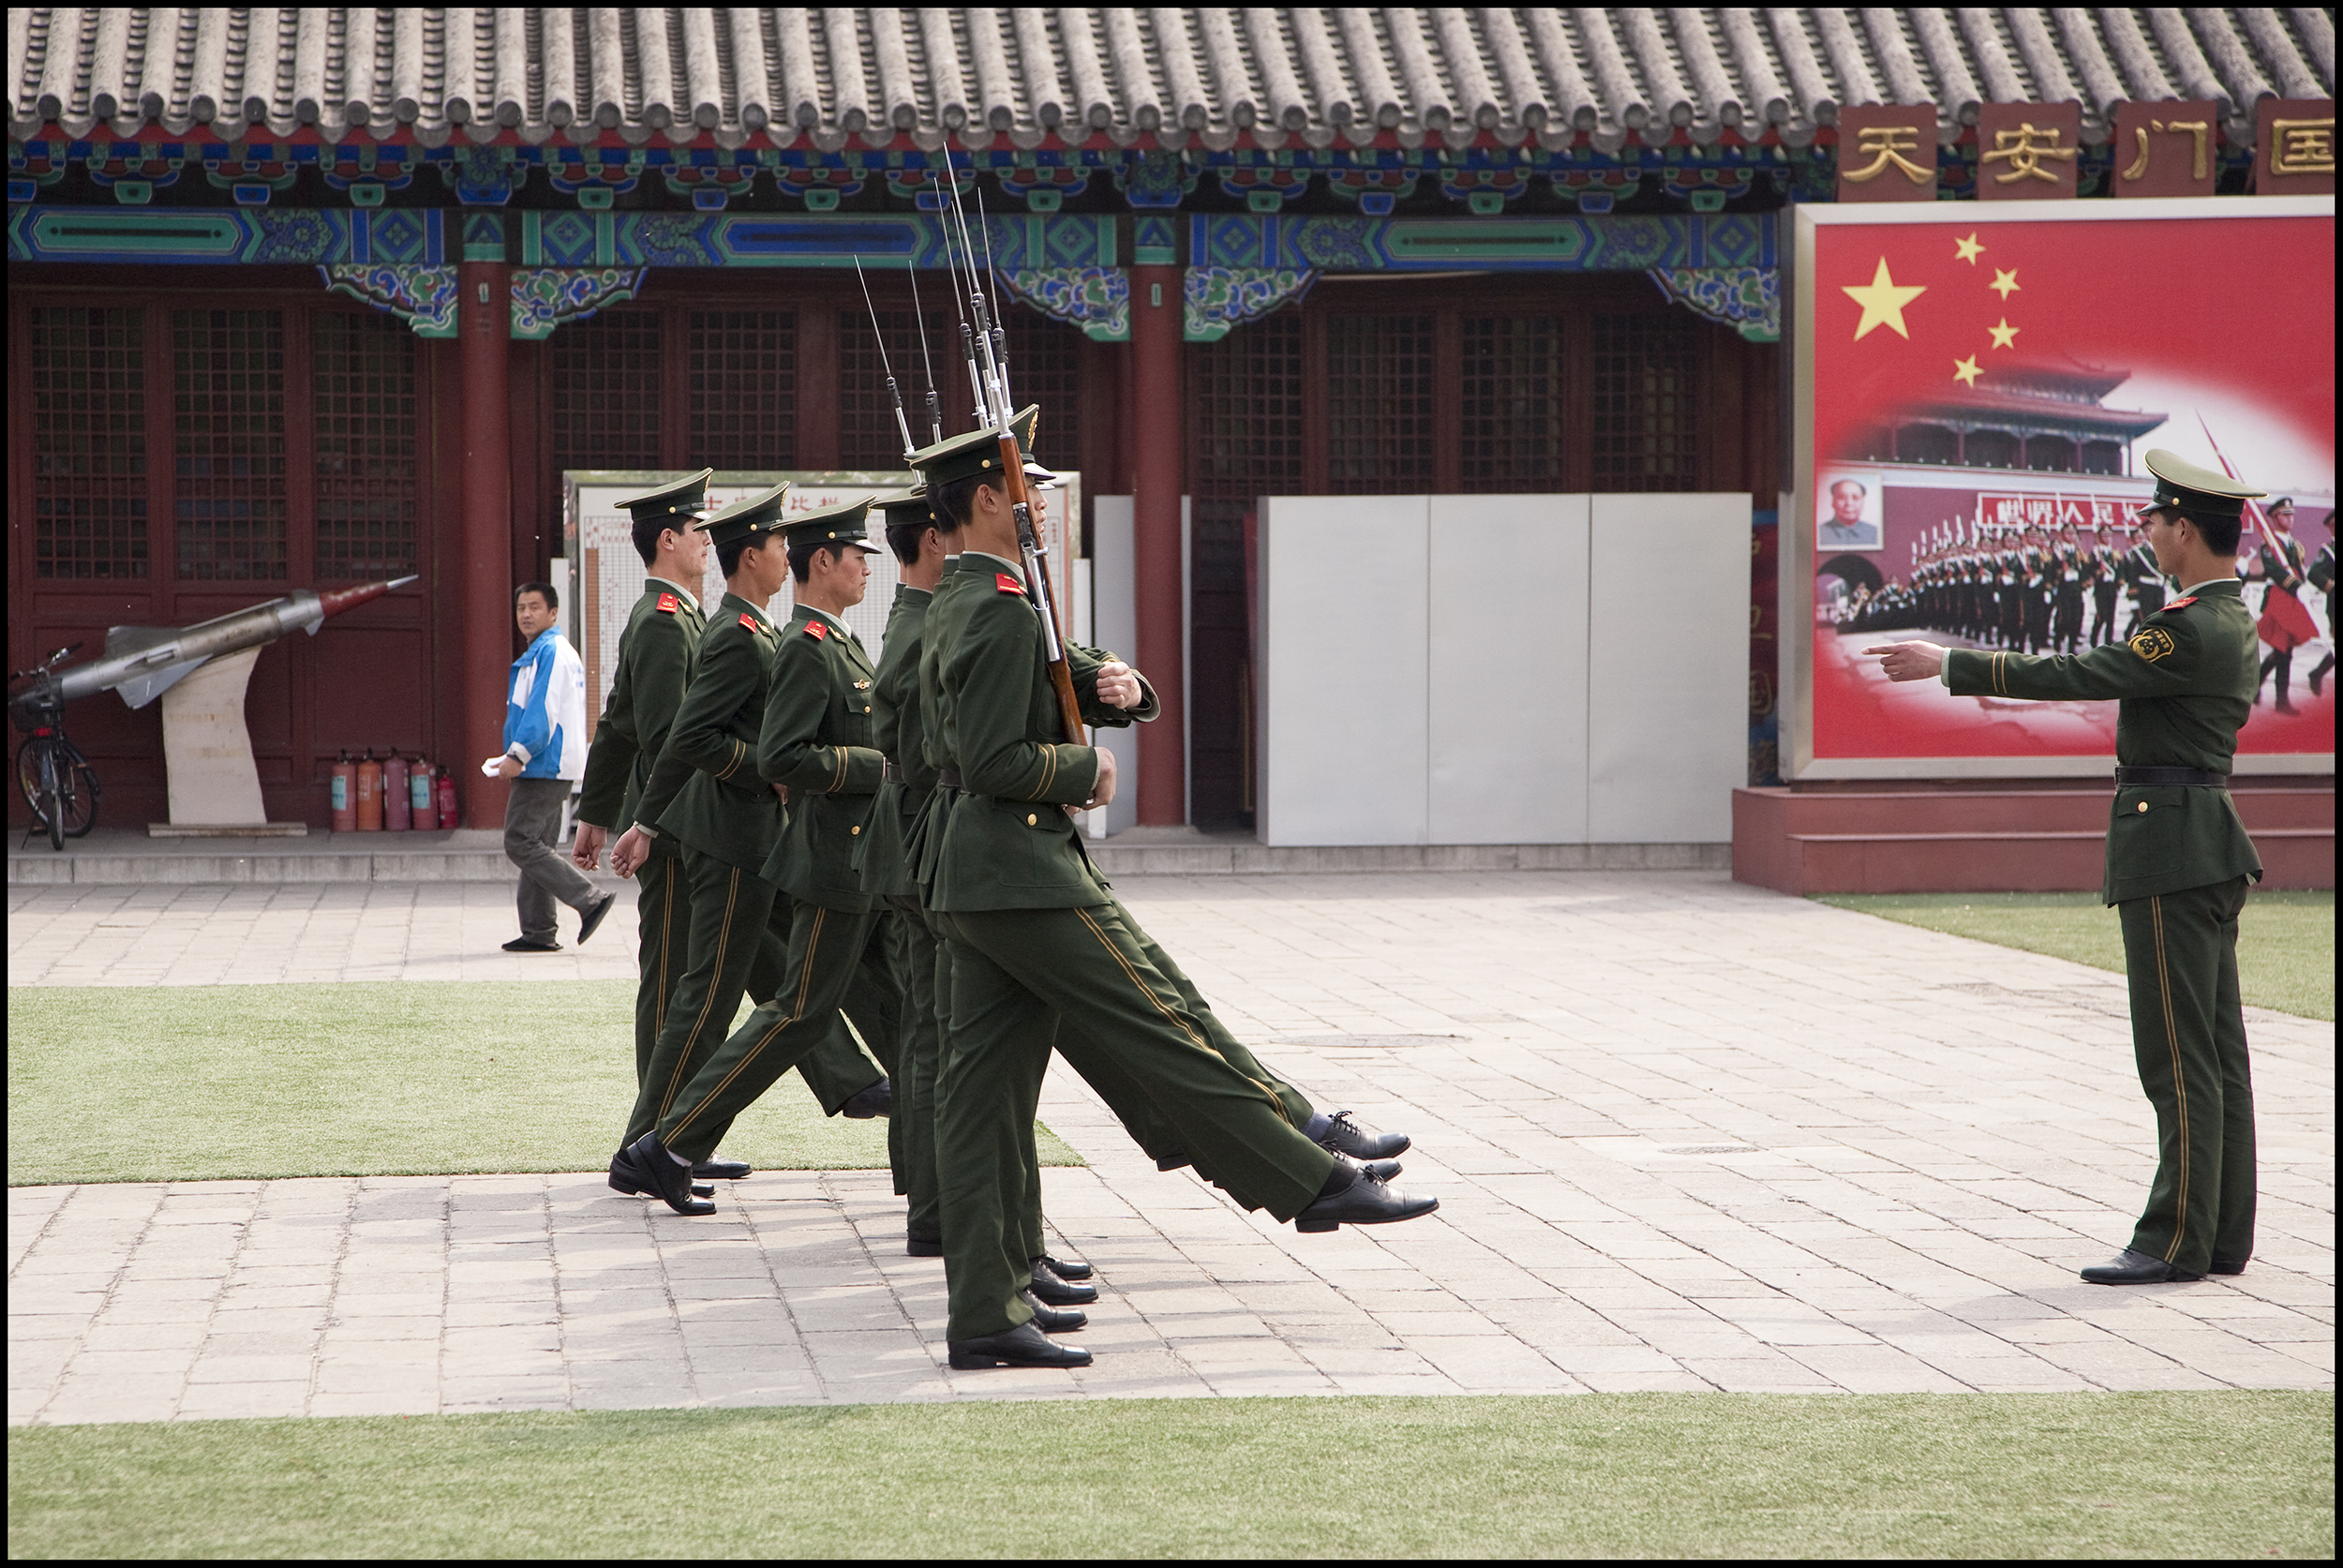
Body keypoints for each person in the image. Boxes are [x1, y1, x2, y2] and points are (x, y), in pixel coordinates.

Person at [911, 420, 1436, 1371]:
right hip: (1021, 868)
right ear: (986, 498)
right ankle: (1310, 1178)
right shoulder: (994, 609)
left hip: (972, 875)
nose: (1036, 493)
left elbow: (1053, 679)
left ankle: (986, 1307)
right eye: (1022, 480)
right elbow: (993, 757)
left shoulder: (968, 598)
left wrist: (1115, 686)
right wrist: (1088, 770)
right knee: (1159, 1021)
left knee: (982, 1097)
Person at [1866, 449, 2264, 1286]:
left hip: (2171, 844)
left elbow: (2079, 672)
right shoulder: (2229, 616)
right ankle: (2220, 1233)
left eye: (2156, 518)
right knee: (2217, 1051)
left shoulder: (2185, 626)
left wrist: (1949, 663)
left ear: (2185, 528)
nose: (2148, 530)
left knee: (2177, 1056)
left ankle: (2172, 1239)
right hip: (2202, 839)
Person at [611, 496, 903, 1215]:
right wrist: (755, 772)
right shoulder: (739, 635)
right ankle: (650, 1144)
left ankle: (685, 1136)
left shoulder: (763, 630)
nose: (785, 555)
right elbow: (686, 737)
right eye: (779, 544)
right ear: (759, 556)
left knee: (774, 984)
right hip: (729, 836)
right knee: (707, 998)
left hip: (757, 837)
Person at [573, 470, 714, 1105]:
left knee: (705, 972)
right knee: (670, 978)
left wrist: (594, 811)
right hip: (676, 826)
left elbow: (616, 723)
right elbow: (659, 738)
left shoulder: (677, 613)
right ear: (667, 541)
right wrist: (647, 824)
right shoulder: (662, 621)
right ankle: (660, 1126)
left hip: (679, 820)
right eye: (698, 530)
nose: (708, 541)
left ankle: (679, 1126)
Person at [495, 580, 613, 953]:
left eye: (534, 607)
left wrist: (518, 755)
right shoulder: (549, 650)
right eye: (520, 608)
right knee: (538, 843)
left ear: (553, 612)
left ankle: (589, 899)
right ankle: (539, 930)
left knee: (520, 840)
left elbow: (542, 712)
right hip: (552, 763)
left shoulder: (550, 651)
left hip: (543, 763)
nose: (526, 614)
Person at [2246, 498, 2308, 715]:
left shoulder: (2294, 544)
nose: (2290, 519)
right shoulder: (2269, 545)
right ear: (2274, 518)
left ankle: (2255, 687)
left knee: (2283, 650)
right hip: (2278, 598)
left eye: (2291, 514)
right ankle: (2281, 701)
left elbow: (2298, 568)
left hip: (2292, 599)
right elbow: (2274, 569)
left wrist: (2304, 589)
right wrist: (2296, 587)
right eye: (2284, 514)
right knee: (2283, 650)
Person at [2306, 528, 2337, 698]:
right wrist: (2332, 587)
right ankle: (2316, 674)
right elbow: (2314, 573)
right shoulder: (2328, 552)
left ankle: (2316, 674)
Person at [1819, 479, 1879, 549]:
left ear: (1863, 503)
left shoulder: (1875, 533)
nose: (1849, 503)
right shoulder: (1820, 533)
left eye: (1855, 498)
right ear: (1833, 502)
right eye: (1842, 497)